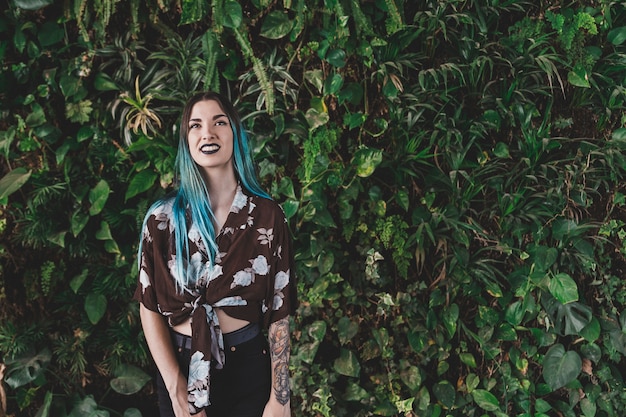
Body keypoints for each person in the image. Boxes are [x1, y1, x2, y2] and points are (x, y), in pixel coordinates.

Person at [134, 91, 297, 417]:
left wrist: (280, 398)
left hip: (249, 367)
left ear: (234, 133)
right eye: (196, 125)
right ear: (187, 140)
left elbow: (280, 310)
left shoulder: (267, 216)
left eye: (218, 122)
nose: (207, 132)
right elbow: (148, 305)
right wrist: (176, 386)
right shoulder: (162, 220)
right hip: (181, 365)